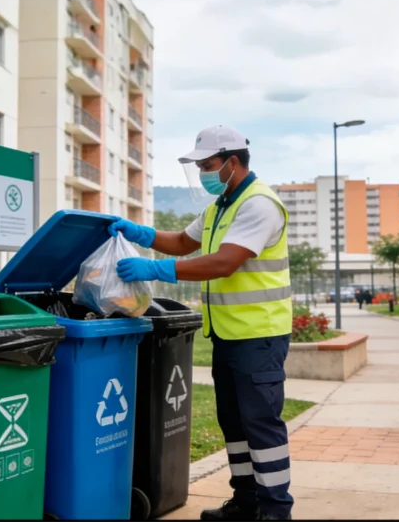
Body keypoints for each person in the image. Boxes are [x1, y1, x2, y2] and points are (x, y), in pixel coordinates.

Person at [108, 125, 293, 520]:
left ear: (232, 161)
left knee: (261, 426)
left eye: (207, 165)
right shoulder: (221, 206)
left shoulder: (258, 204)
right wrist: (141, 233)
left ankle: (275, 512)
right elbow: (182, 242)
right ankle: (246, 503)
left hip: (259, 335)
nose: (203, 173)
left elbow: (224, 262)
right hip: (230, 334)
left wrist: (156, 269)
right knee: (235, 425)